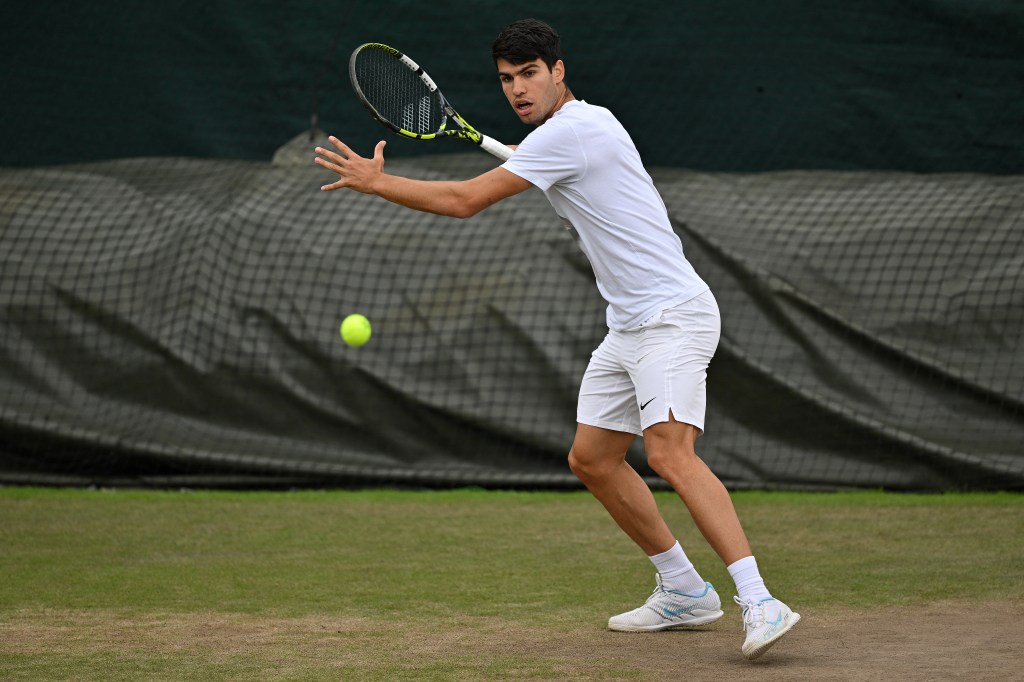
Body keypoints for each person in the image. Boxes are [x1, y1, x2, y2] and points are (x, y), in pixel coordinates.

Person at [315, 18, 800, 660]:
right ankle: (684, 590)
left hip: (673, 316)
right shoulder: (584, 129)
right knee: (593, 459)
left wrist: (379, 183)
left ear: (558, 71)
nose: (517, 89)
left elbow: (464, 200)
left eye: (529, 75)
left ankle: (759, 599)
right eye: (506, 80)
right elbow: (553, 171)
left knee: (669, 453)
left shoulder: (570, 133)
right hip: (628, 324)